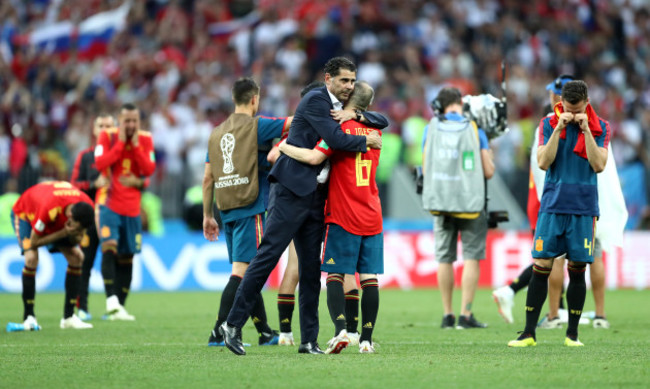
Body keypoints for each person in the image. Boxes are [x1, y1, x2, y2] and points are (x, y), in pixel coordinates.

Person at [220, 57, 385, 356]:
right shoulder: (315, 100)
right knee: (268, 255)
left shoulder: (343, 111)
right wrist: (366, 142)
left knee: (310, 270)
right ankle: (232, 325)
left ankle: (309, 339)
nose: (348, 86)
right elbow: (335, 139)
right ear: (328, 79)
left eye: (352, 81)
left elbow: (380, 120)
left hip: (316, 196)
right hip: (291, 191)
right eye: (344, 80)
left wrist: (360, 120)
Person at [494, 76, 626, 330]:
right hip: (553, 205)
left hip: (584, 207)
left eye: (577, 110)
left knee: (584, 263)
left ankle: (581, 324)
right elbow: (543, 162)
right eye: (568, 108)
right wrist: (558, 129)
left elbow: (599, 164)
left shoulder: (601, 127)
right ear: (561, 102)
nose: (572, 114)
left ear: (587, 104)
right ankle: (548, 319)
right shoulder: (547, 123)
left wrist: (586, 129)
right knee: (547, 261)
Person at [279, 81, 383, 354]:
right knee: (369, 276)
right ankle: (366, 339)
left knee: (335, 274)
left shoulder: (339, 131)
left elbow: (314, 158)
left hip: (344, 212)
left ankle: (340, 332)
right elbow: (379, 121)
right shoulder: (375, 132)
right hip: (372, 211)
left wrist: (285, 147)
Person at [203, 77, 291, 347]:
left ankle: (264, 331)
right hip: (250, 207)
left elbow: (208, 178)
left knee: (250, 269)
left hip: (225, 209)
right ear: (254, 99)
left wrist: (208, 216)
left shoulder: (216, 132)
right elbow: (296, 121)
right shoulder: (258, 126)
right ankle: (220, 330)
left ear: (234, 99)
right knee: (243, 272)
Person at [421, 87, 494, 330]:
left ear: (439, 106)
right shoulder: (475, 129)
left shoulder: (429, 128)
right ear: (461, 103)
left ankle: (447, 315)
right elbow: (488, 171)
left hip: (441, 203)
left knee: (445, 258)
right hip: (471, 203)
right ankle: (466, 314)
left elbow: (425, 165)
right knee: (471, 257)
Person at [94, 103, 156, 321]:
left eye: (134, 121)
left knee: (128, 257)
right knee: (109, 248)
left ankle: (119, 307)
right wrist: (121, 143)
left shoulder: (145, 139)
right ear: (119, 121)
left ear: (139, 122)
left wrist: (136, 147)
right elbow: (100, 162)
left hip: (132, 209)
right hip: (109, 204)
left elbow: (149, 170)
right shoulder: (107, 137)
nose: (130, 125)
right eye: (126, 121)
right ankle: (111, 300)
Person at [10, 181, 95, 330]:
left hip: (56, 221)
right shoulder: (49, 208)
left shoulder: (87, 207)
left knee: (77, 257)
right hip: (26, 215)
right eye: (78, 228)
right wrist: (64, 233)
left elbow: (79, 236)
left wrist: (76, 234)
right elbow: (35, 242)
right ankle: (29, 317)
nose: (80, 231)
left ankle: (68, 318)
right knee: (31, 258)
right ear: (70, 217)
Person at [69, 114, 113, 321]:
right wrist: (92, 185)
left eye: (108, 126)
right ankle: (82, 308)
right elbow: (74, 185)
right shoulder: (85, 157)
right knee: (85, 262)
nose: (104, 129)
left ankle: (114, 307)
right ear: (94, 130)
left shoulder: (119, 155)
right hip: (88, 219)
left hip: (111, 215)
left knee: (116, 260)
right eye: (101, 125)